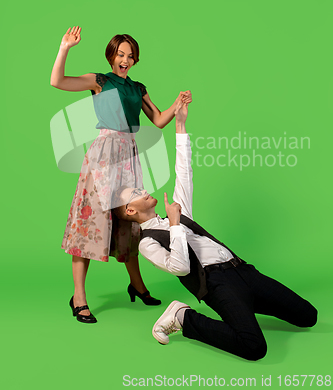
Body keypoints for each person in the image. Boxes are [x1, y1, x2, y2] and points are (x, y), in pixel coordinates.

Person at [111, 100, 317, 360]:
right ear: (130, 211)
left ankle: (244, 310)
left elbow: (184, 171)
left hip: (243, 270)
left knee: (308, 316)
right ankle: (183, 317)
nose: (143, 190)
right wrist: (174, 224)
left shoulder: (177, 211)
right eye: (136, 193)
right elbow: (180, 268)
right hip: (217, 284)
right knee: (254, 347)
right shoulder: (146, 243)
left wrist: (181, 124)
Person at [50, 26, 192, 323]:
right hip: (103, 155)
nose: (125, 60)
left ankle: (137, 285)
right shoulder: (100, 81)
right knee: (89, 224)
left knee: (132, 223)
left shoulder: (138, 88)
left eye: (130, 56)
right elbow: (58, 81)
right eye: (120, 54)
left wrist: (178, 106)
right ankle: (78, 298)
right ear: (111, 55)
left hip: (129, 156)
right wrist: (65, 47)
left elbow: (158, 120)